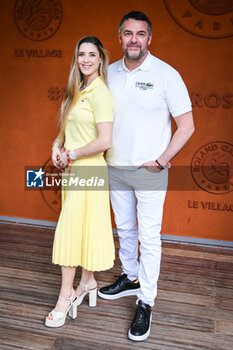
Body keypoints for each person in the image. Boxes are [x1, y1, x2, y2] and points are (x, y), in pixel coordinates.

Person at [98, 11, 195, 341]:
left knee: (149, 238)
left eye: (140, 34)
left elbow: (187, 126)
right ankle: (130, 276)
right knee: (124, 227)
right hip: (116, 167)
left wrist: (162, 160)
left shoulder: (167, 74)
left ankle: (146, 301)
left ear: (149, 39)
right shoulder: (106, 73)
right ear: (120, 37)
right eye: (128, 33)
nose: (134, 39)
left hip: (150, 171)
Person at [45, 36, 115, 328]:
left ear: (101, 59)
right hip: (73, 174)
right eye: (81, 54)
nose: (86, 59)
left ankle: (65, 297)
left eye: (92, 54)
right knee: (81, 230)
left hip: (90, 173)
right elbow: (66, 130)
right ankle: (87, 283)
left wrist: (70, 154)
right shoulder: (77, 90)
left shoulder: (101, 94)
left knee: (71, 232)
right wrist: (56, 147)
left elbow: (105, 141)